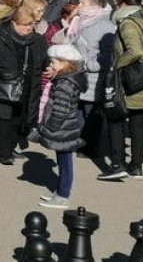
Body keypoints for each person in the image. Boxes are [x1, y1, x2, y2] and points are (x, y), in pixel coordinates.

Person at [99, 0, 143, 181]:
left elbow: (134, 51)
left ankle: (117, 165)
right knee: (138, 125)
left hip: (130, 80)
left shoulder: (128, 23)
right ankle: (136, 167)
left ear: (123, 4)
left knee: (116, 121)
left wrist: (116, 65)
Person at [0, 6, 47, 166]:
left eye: (30, 24)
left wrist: (49, 67)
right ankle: (4, 153)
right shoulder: (1, 36)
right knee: (4, 122)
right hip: (4, 88)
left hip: (29, 87)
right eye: (24, 24)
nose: (28, 28)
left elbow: (44, 60)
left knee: (20, 121)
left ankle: (11, 147)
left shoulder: (38, 40)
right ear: (14, 23)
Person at [35, 44, 87, 209]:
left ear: (65, 63)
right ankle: (60, 192)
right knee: (63, 161)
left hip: (63, 127)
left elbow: (60, 108)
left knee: (65, 163)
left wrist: (51, 125)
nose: (51, 66)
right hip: (67, 126)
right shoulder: (67, 78)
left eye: (54, 63)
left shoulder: (64, 83)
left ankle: (63, 195)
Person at [67, 0, 115, 159]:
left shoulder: (106, 26)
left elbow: (107, 56)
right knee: (78, 112)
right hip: (78, 76)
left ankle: (91, 147)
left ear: (94, 5)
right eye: (79, 2)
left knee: (92, 114)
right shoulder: (78, 22)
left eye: (83, 3)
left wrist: (87, 65)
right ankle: (79, 141)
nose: (79, 6)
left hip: (94, 79)